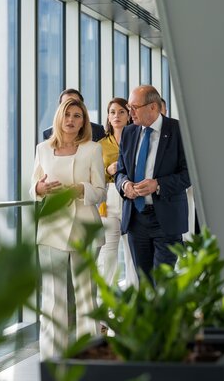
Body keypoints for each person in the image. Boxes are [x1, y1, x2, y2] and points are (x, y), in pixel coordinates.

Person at [30, 98, 106, 359]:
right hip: (51, 227)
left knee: (86, 294)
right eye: (68, 115)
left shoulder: (92, 149)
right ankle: (52, 355)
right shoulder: (43, 149)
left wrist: (78, 189)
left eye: (78, 116)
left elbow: (100, 192)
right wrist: (40, 189)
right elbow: (33, 186)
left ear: (84, 121)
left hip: (84, 225)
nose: (72, 120)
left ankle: (91, 352)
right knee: (52, 296)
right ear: (59, 118)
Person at [115, 85, 190, 281]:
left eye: (134, 107)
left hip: (165, 219)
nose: (129, 113)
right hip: (136, 219)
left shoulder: (178, 130)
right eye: (129, 107)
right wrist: (125, 185)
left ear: (153, 107)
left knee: (163, 284)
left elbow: (189, 174)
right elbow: (120, 171)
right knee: (145, 285)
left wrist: (157, 184)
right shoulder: (129, 133)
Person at [97, 98, 138, 303]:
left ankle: (134, 307)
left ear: (129, 114)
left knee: (132, 254)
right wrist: (107, 170)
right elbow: (94, 177)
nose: (116, 116)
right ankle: (104, 311)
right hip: (109, 200)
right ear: (108, 116)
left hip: (132, 197)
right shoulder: (100, 145)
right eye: (112, 112)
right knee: (108, 255)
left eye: (121, 112)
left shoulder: (138, 139)